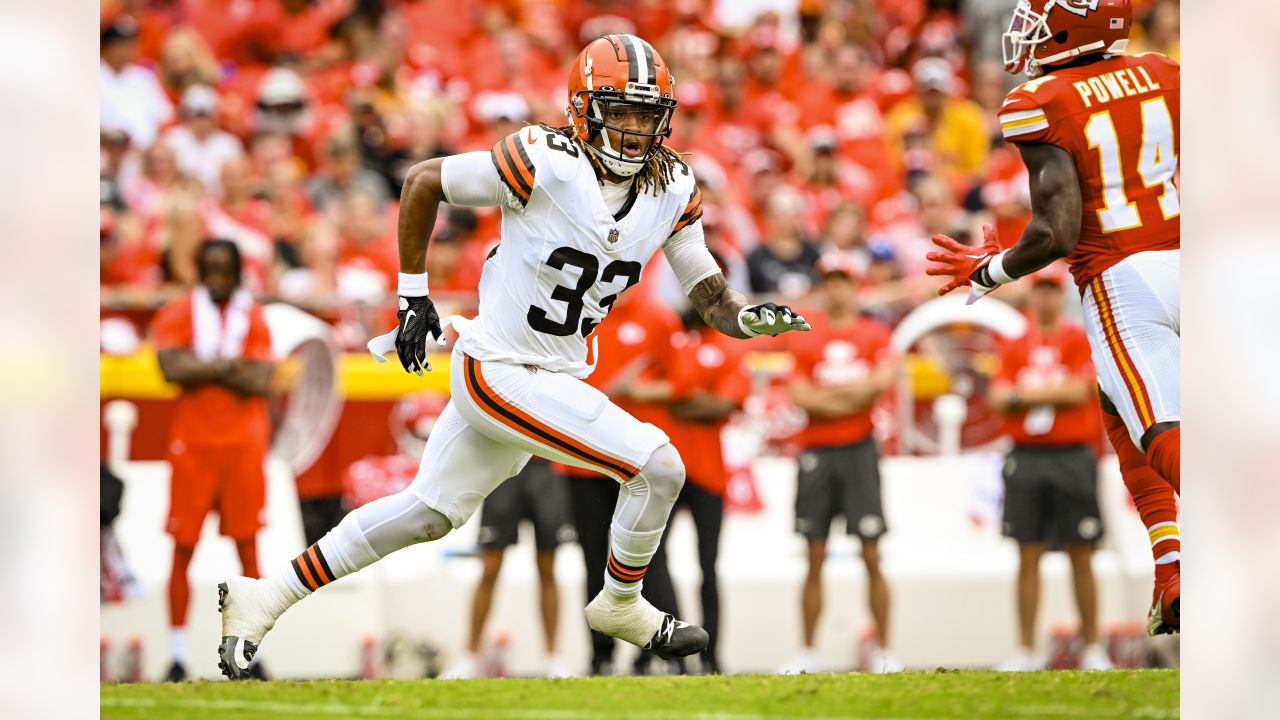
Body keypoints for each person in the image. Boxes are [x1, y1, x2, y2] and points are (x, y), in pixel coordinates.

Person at [216, 34, 811, 679]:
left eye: (648, 114)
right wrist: (412, 296)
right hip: (500, 368)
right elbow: (422, 181)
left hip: (548, 371)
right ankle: (620, 602)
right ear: (585, 108)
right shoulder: (545, 159)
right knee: (659, 466)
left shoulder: (671, 187)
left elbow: (705, 284)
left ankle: (264, 596)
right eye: (623, 111)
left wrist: (741, 318)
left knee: (427, 514)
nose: (636, 129)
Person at [924, 0, 1181, 635]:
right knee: (1120, 413)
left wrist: (989, 271)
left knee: (1162, 434)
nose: (1028, 35)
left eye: (1040, 21)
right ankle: (1171, 569)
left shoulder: (1042, 98)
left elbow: (1057, 230)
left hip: (1125, 278)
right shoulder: (1165, 70)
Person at [151, 239, 275, 681]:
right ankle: (178, 653)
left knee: (249, 550)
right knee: (183, 547)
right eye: (211, 267)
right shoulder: (180, 312)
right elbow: (169, 368)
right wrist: (228, 368)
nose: (218, 275)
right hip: (194, 445)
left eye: (226, 268)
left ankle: (251, 653)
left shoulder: (253, 316)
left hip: (242, 445)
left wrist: (203, 365)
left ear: (238, 272)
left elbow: (261, 378)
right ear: (201, 270)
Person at [779, 253, 901, 674]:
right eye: (829, 281)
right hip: (818, 451)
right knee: (813, 554)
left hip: (859, 451)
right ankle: (808, 651)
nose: (836, 288)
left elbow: (882, 384)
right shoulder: (805, 337)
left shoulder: (873, 333)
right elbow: (800, 396)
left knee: (871, 553)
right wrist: (853, 395)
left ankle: (884, 650)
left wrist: (832, 399)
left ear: (855, 285)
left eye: (842, 280)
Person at [989, 270, 1112, 671]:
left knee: (1082, 551)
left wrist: (1024, 395)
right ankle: (1025, 648)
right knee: (1027, 551)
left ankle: (1092, 643)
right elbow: (997, 395)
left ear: (1060, 296)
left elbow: (1079, 390)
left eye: (1051, 291)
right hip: (1026, 455)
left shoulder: (1078, 339)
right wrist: (1041, 395)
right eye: (1038, 291)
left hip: (1071, 455)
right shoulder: (1013, 343)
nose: (1044, 299)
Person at [440, 459, 577, 679]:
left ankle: (553, 659)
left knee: (548, 567)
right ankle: (469, 657)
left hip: (546, 462)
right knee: (489, 568)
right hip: (505, 462)